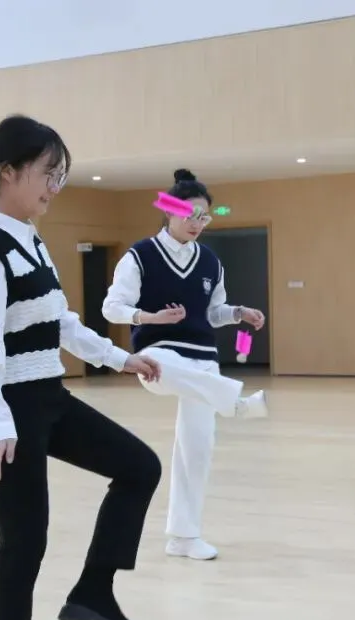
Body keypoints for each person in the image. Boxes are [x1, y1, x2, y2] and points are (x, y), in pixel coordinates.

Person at [0, 114, 163, 620]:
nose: (54, 187)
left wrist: (120, 358)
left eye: (61, 176)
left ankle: (93, 591)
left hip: (47, 396)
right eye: (48, 173)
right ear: (8, 171)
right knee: (23, 542)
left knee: (139, 467)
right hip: (6, 408)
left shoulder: (29, 239)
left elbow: (60, 321)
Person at [102, 168, 268, 562]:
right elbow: (112, 307)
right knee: (171, 368)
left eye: (204, 217)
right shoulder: (140, 256)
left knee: (197, 449)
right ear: (169, 210)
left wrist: (238, 313)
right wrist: (151, 318)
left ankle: (183, 536)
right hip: (158, 357)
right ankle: (234, 403)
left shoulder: (210, 261)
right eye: (190, 214)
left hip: (203, 363)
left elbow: (212, 313)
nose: (197, 223)